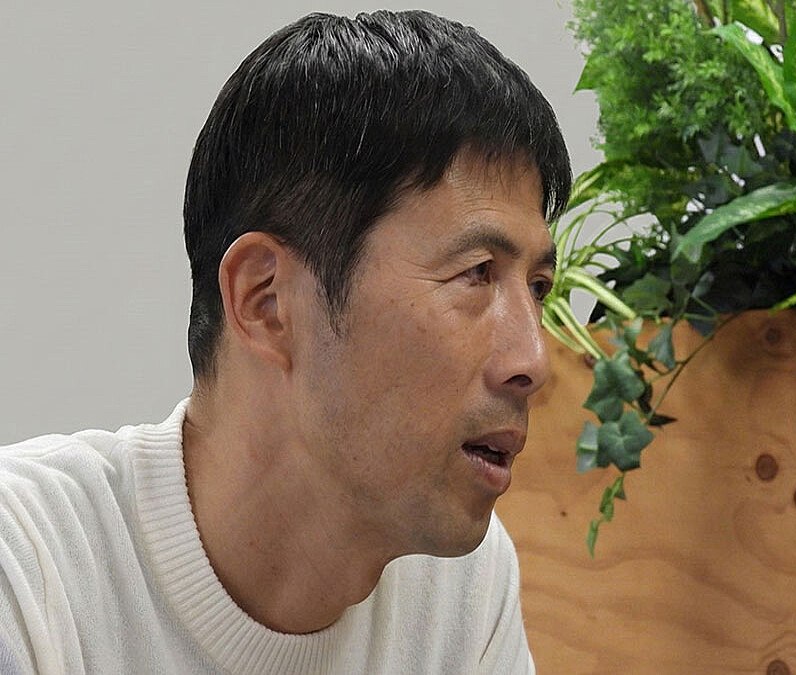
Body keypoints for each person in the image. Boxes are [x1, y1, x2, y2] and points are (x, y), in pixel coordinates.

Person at [0, 9, 570, 674]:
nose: (533, 360)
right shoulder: (29, 571)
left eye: (537, 287)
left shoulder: (458, 591)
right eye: (476, 273)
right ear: (266, 301)